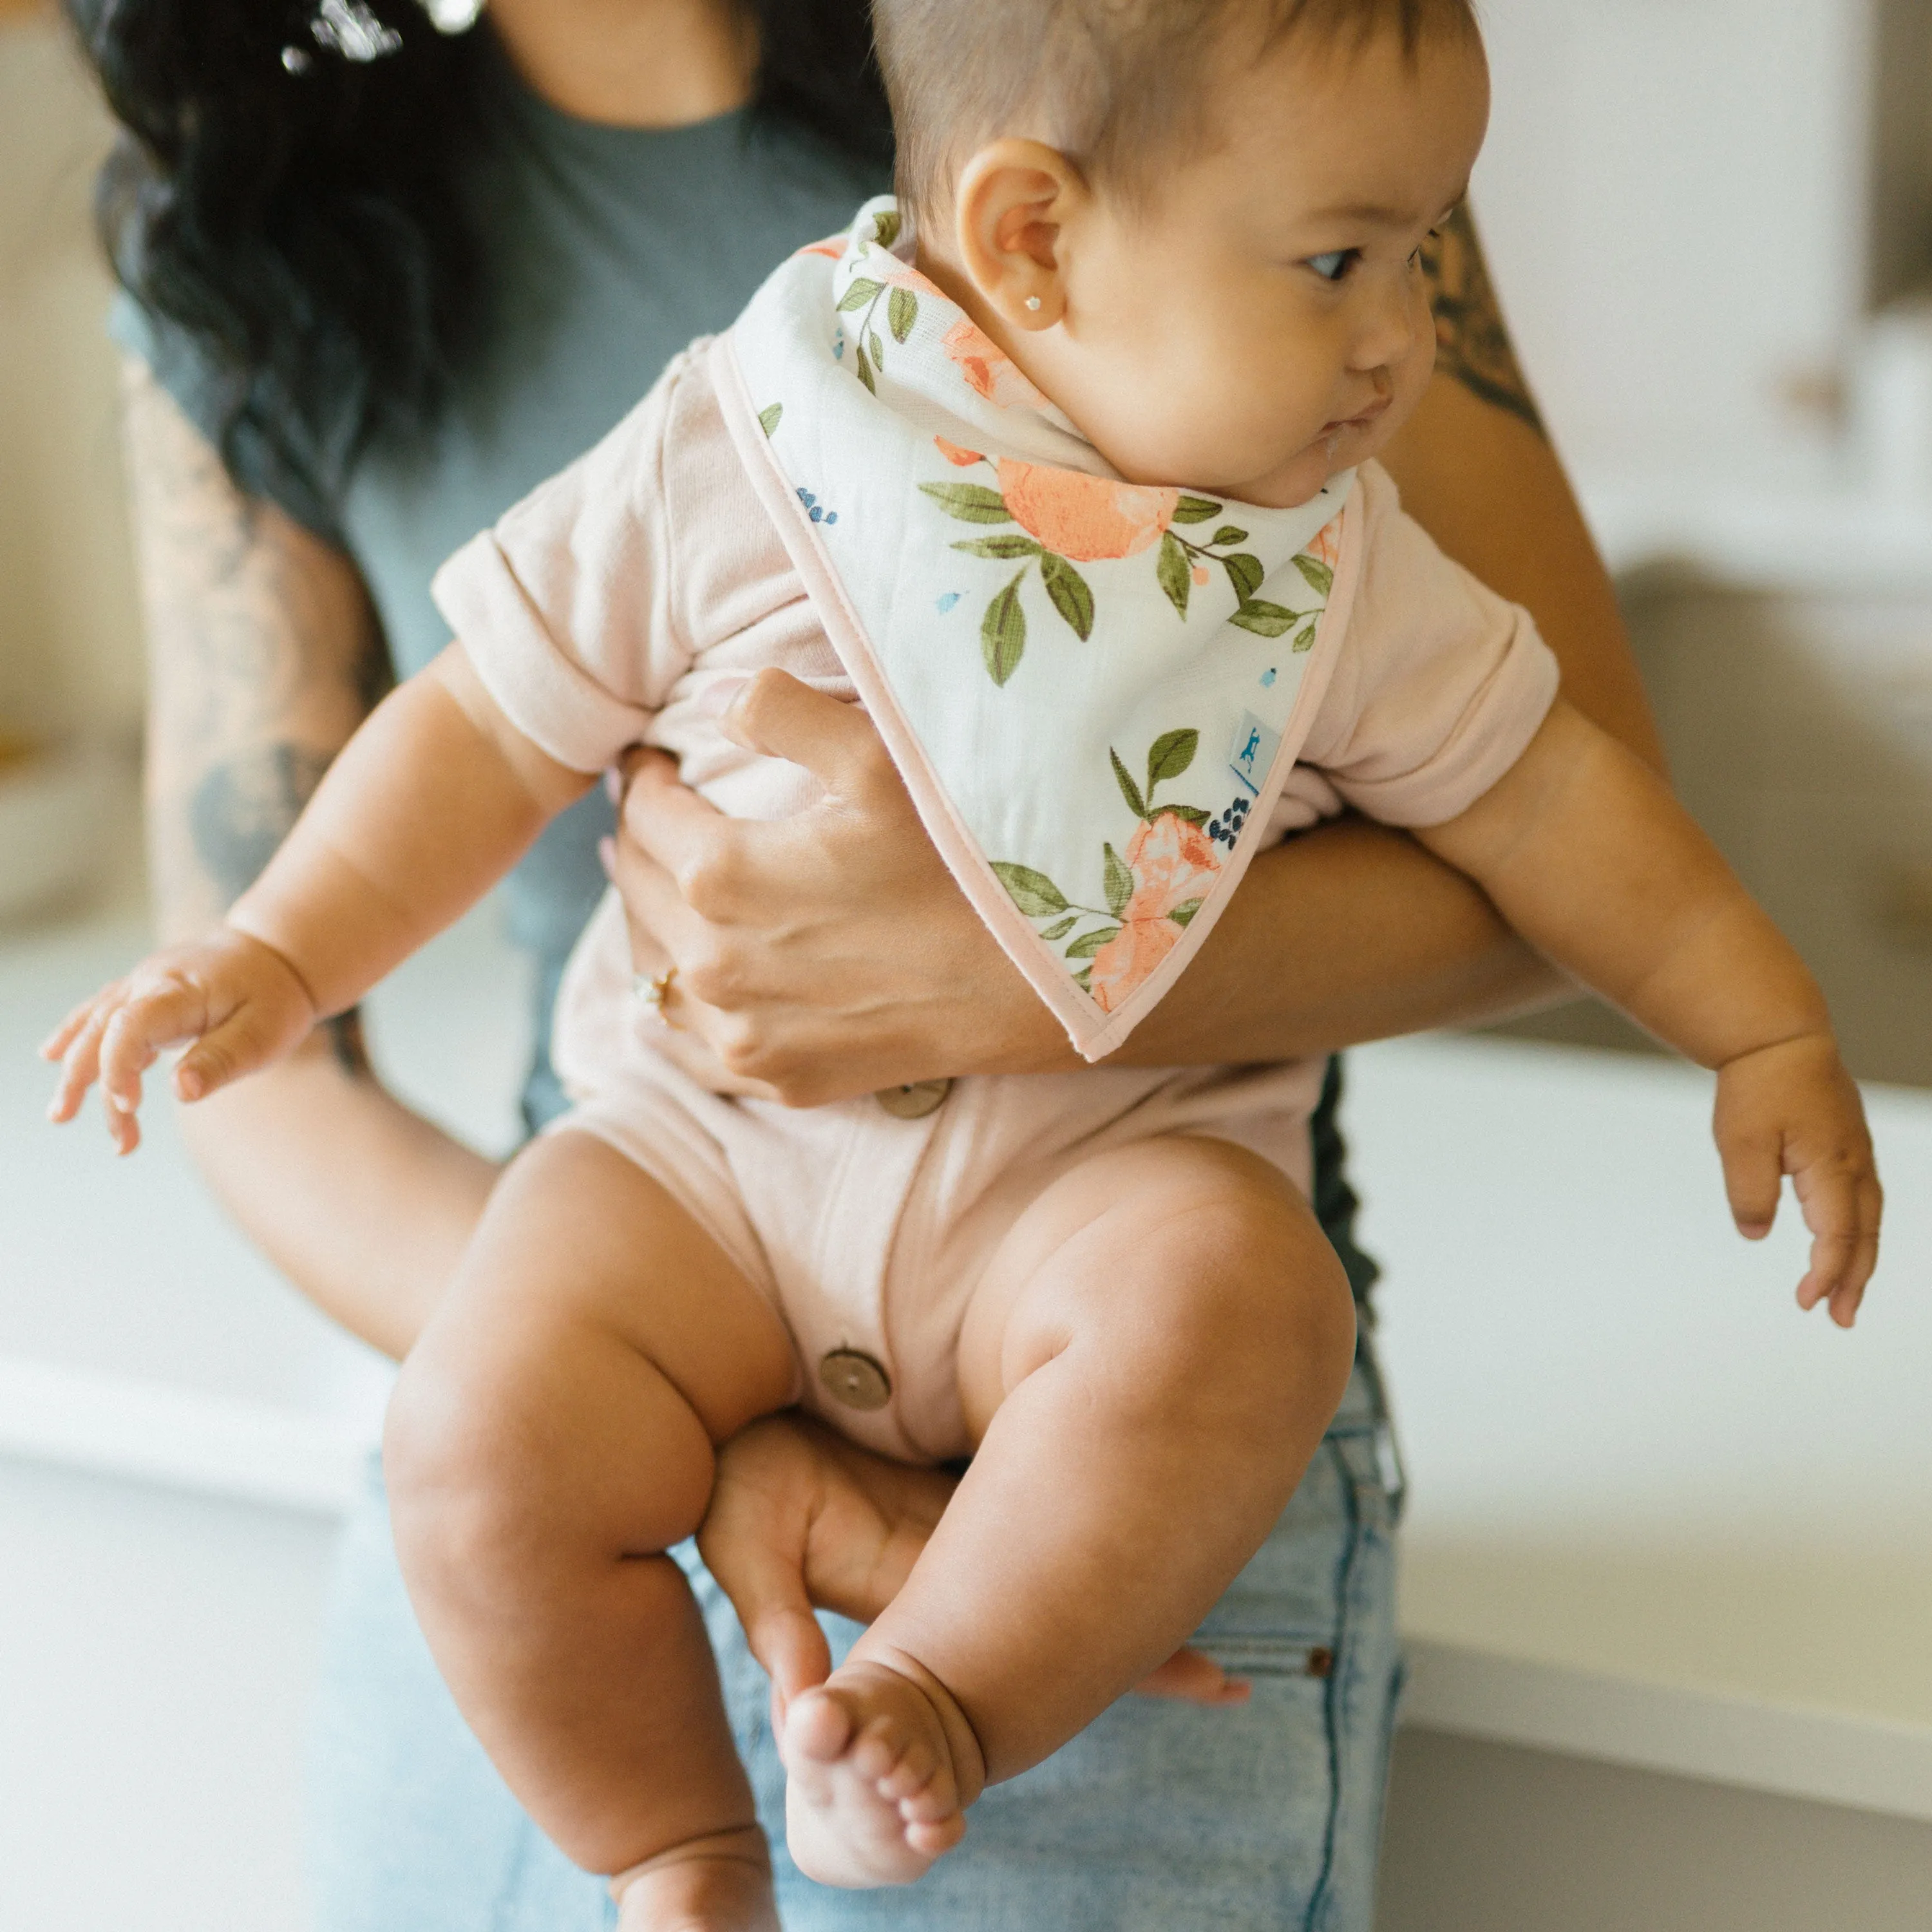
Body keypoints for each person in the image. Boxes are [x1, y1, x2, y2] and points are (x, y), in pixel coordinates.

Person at [55, 1, 1881, 1927]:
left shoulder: (1291, 410)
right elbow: (482, 725)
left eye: (1408, 261)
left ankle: (945, 1694)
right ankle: (675, 1851)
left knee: (1237, 1295)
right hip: (687, 1199)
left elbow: (1560, 808)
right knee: (477, 1449)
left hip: (1084, 1263)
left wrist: (1757, 1024)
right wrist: (270, 956)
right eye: (1357, 264)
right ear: (1021, 234)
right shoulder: (740, 418)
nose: (1396, 335)